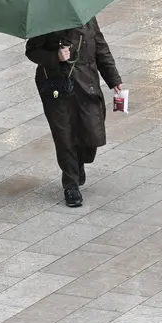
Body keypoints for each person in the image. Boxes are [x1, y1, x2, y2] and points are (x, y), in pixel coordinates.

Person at [26, 17, 122, 207]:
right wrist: (56, 57)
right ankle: (70, 185)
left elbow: (101, 47)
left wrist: (114, 79)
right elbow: (32, 51)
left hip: (87, 83)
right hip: (58, 87)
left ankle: (79, 161)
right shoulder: (46, 19)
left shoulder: (88, 17)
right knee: (64, 135)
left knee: (92, 131)